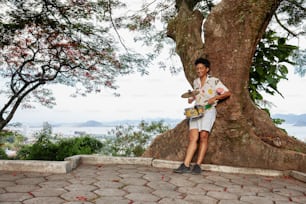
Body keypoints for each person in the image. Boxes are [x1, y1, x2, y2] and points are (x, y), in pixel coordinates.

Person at [173, 57, 231, 175]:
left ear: (207, 69)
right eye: (197, 68)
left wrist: (215, 98)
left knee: (203, 136)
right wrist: (191, 98)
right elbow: (196, 96)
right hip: (196, 111)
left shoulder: (214, 81)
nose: (199, 70)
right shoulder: (195, 82)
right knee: (193, 137)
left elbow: (227, 93)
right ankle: (186, 164)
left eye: (201, 68)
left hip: (208, 110)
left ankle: (198, 165)